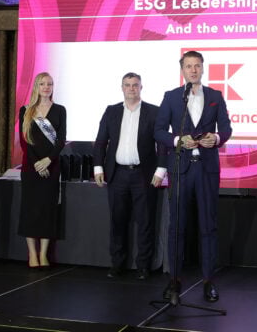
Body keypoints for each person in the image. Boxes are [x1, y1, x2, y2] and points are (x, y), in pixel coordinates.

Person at [154, 50, 232, 303]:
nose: (193, 70)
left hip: (207, 169)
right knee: (177, 226)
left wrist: (216, 138)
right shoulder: (172, 96)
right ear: (182, 70)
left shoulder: (215, 96)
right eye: (188, 66)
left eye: (197, 66)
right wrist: (178, 140)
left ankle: (208, 280)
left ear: (203, 68)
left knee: (208, 226)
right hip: (181, 168)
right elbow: (158, 131)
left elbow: (226, 128)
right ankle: (174, 280)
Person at [93, 72, 165, 280]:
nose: (131, 88)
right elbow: (100, 141)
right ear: (122, 88)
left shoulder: (154, 112)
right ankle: (117, 264)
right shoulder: (112, 111)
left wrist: (161, 170)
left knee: (145, 222)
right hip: (117, 174)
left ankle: (143, 266)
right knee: (117, 221)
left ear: (141, 87)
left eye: (135, 85)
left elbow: (162, 145)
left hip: (144, 175)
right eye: (127, 85)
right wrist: (98, 167)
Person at [18, 72, 67, 268]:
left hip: (51, 166)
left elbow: (61, 139)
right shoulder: (26, 110)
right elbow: (25, 141)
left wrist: (48, 160)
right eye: (42, 84)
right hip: (31, 168)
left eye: (50, 84)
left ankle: (44, 254)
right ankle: (32, 254)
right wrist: (37, 163)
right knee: (30, 209)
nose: (46, 87)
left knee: (48, 210)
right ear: (36, 87)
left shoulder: (60, 110)